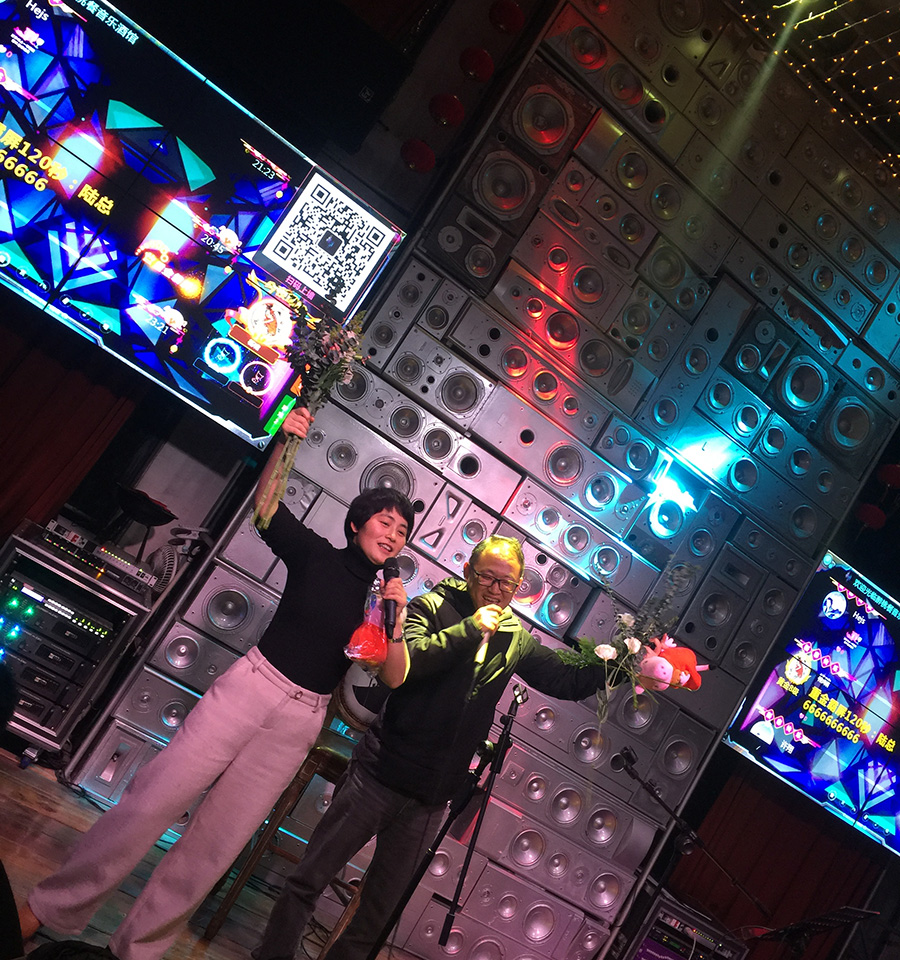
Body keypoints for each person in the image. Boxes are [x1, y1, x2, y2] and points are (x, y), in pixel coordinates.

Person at [20, 406, 415, 960]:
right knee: (151, 801)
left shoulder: (382, 605)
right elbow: (266, 510)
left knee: (214, 846)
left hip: (300, 720)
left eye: (402, 531)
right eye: (385, 522)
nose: (393, 535)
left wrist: (396, 620)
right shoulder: (315, 556)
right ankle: (49, 908)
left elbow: (393, 676)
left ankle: (134, 951)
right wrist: (284, 443)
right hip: (253, 686)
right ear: (356, 524)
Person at [253, 533, 611, 960]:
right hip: (379, 775)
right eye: (488, 578)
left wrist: (626, 667)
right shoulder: (431, 607)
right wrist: (469, 630)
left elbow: (565, 680)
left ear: (518, 589)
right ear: (468, 572)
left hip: (430, 798)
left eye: (507, 583)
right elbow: (408, 664)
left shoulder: (515, 636)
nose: (496, 590)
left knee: (377, 916)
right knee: (309, 880)